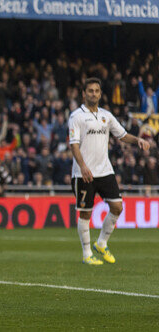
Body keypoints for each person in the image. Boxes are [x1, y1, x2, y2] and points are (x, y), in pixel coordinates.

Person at [69, 77, 150, 265]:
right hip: (84, 173)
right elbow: (73, 145)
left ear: (100, 93)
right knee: (85, 213)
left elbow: (121, 135)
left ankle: (101, 243)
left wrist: (137, 140)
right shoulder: (77, 116)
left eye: (97, 91)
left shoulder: (106, 115)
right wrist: (82, 166)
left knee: (117, 207)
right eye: (90, 91)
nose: (94, 94)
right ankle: (87, 254)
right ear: (84, 94)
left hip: (105, 170)